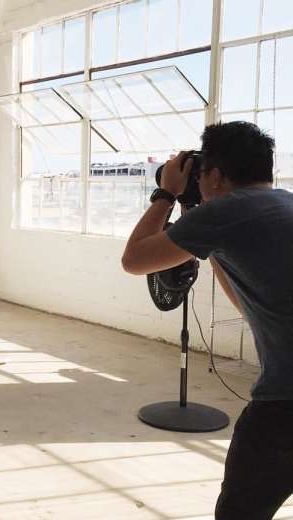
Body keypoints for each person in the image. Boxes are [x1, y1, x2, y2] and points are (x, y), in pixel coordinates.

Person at [122, 121, 293, 520]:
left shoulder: (228, 212)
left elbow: (134, 260)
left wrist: (166, 194)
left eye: (200, 173)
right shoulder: (282, 203)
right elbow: (249, 300)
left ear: (214, 174)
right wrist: (200, 226)